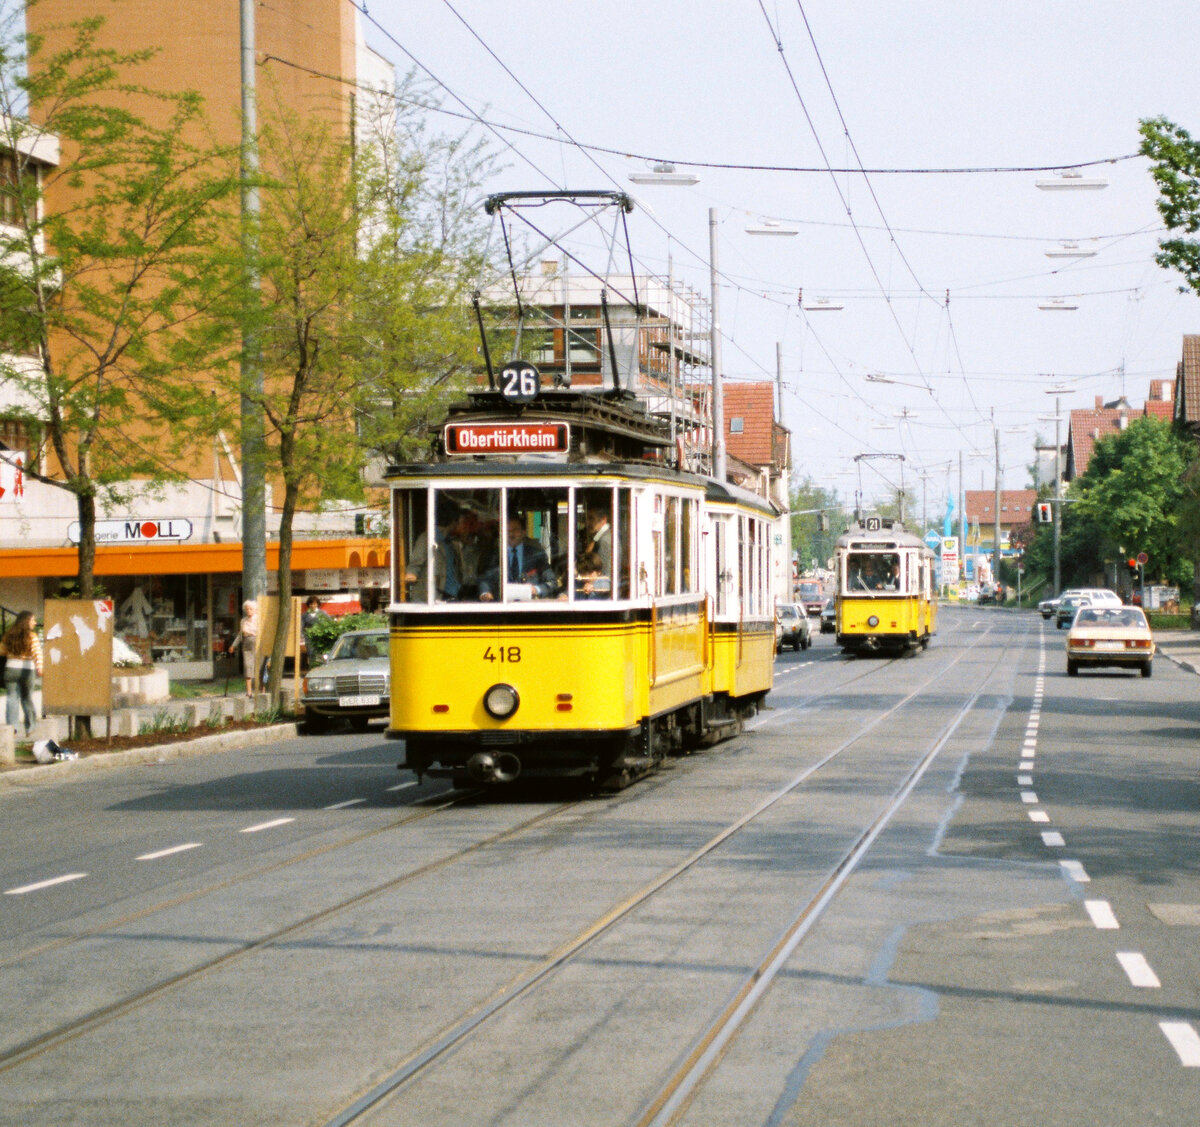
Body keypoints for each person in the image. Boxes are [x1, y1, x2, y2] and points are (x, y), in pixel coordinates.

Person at [480, 516, 557, 600]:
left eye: (515, 530)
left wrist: (536, 589)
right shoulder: (494, 555)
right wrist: (485, 592)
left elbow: (552, 582)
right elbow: (485, 579)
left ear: (523, 532)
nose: (511, 534)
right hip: (501, 607)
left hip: (529, 608)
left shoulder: (536, 554)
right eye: (507, 531)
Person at [1, 611, 43, 737]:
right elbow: (37, 653)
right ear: (26, 622)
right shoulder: (32, 637)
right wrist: (40, 667)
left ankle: (12, 727)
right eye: (32, 620)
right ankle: (30, 727)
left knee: (11, 697)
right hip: (27, 670)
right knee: (27, 698)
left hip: (10, 669)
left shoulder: (9, 635)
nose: (35, 623)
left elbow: (2, 651)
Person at [234, 600, 258, 697]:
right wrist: (233, 645)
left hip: (257, 644)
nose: (248, 611)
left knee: (258, 667)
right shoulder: (243, 620)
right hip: (246, 645)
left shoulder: (258, 619)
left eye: (251, 609)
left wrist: (252, 633)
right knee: (248, 667)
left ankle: (261, 690)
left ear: (255, 610)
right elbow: (240, 634)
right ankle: (249, 692)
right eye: (247, 609)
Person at [301, 595, 330, 668]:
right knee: (311, 654)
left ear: (317, 604)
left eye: (314, 604)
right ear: (308, 605)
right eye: (311, 604)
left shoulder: (323, 613)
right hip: (309, 638)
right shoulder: (305, 615)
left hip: (320, 637)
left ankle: (322, 668)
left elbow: (329, 623)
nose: (312, 605)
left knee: (321, 654)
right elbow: (301, 626)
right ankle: (312, 669)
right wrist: (302, 635)